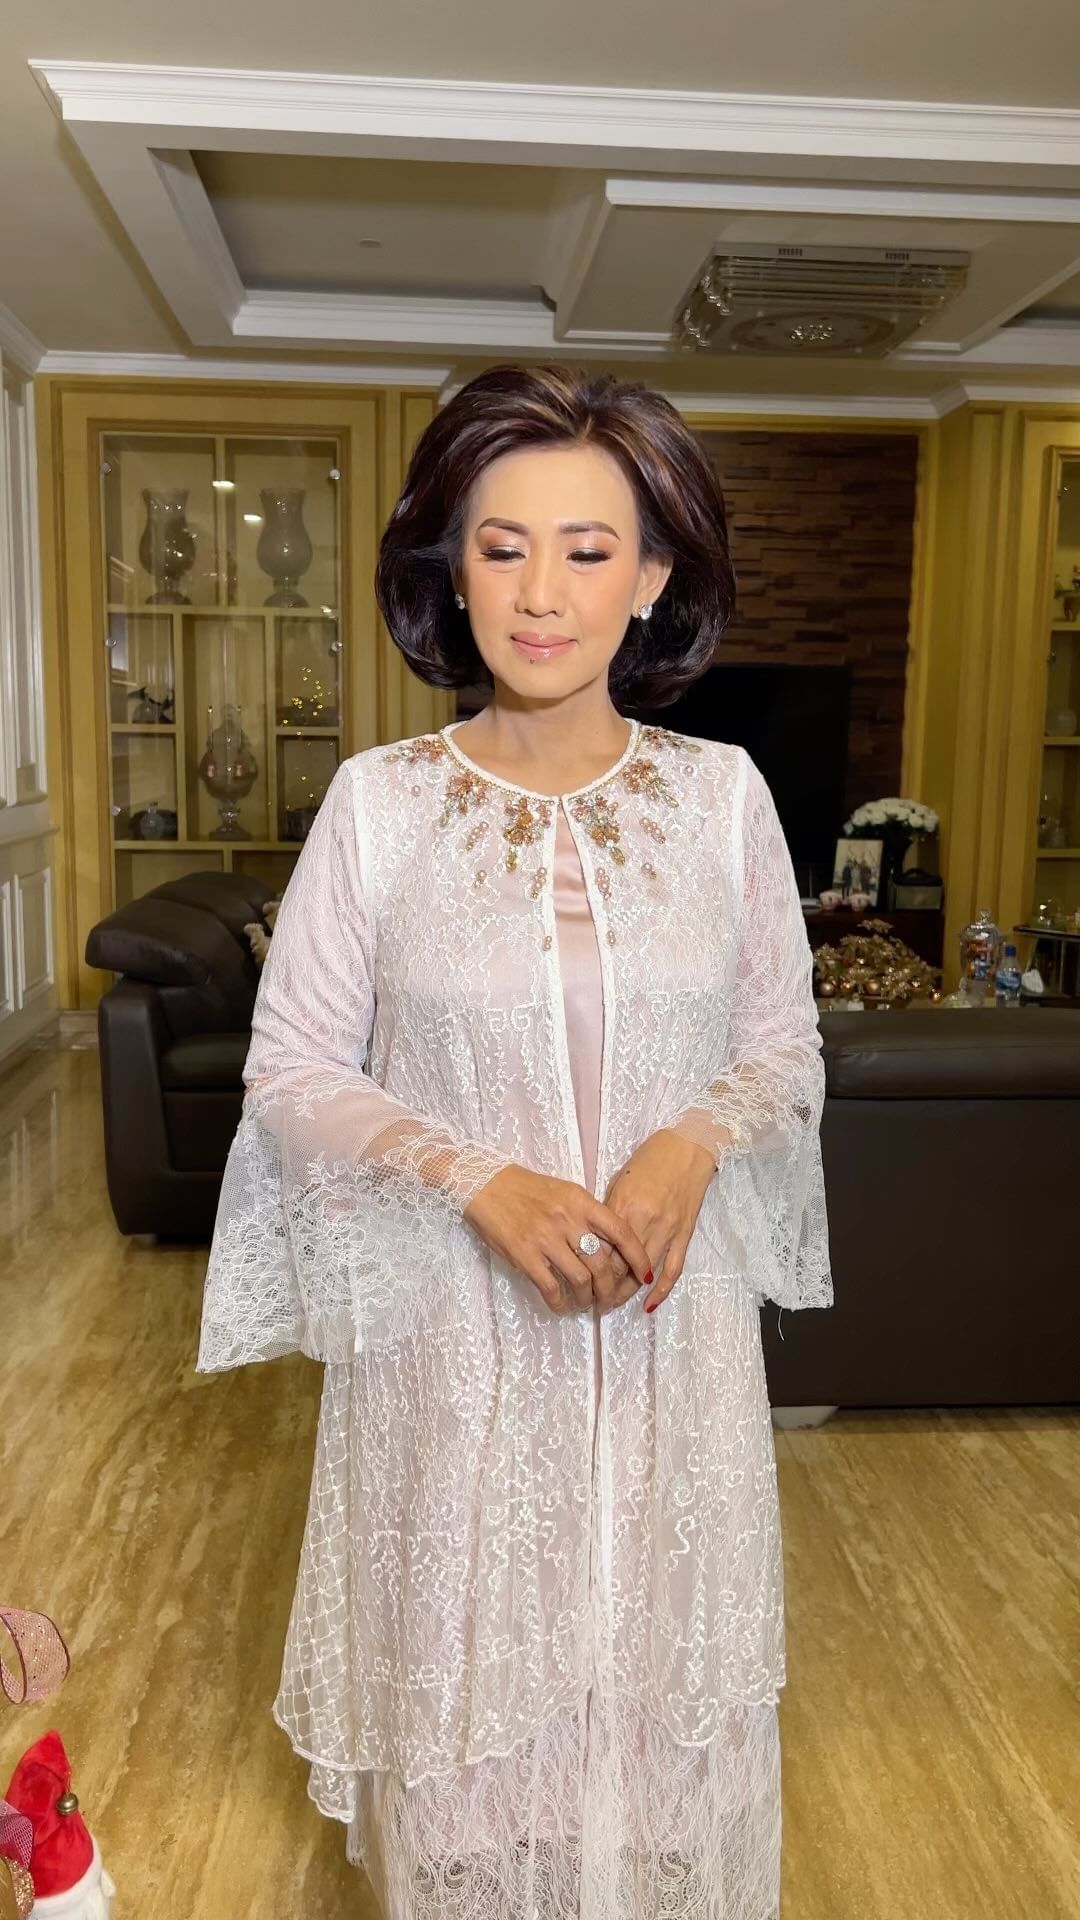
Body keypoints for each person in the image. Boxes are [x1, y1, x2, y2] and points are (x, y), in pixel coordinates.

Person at [196, 362, 833, 1920]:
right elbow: (290, 1070)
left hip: (669, 1352)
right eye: (502, 547)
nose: (542, 592)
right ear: (454, 570)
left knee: (654, 1711)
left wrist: (692, 1141)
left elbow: (784, 1047)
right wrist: (473, 1175)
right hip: (458, 1353)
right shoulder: (381, 808)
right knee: (475, 1715)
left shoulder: (724, 800)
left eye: (588, 549)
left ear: (654, 577)